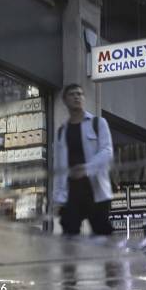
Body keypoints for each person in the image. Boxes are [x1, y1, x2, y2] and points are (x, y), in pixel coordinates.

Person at [53, 84, 114, 235]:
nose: (77, 97)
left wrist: (86, 169)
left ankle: (109, 259)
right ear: (65, 100)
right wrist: (57, 198)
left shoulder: (98, 123)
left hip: (96, 191)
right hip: (71, 193)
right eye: (72, 94)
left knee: (103, 235)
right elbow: (59, 167)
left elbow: (107, 151)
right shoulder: (62, 131)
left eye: (80, 94)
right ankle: (72, 260)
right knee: (69, 237)